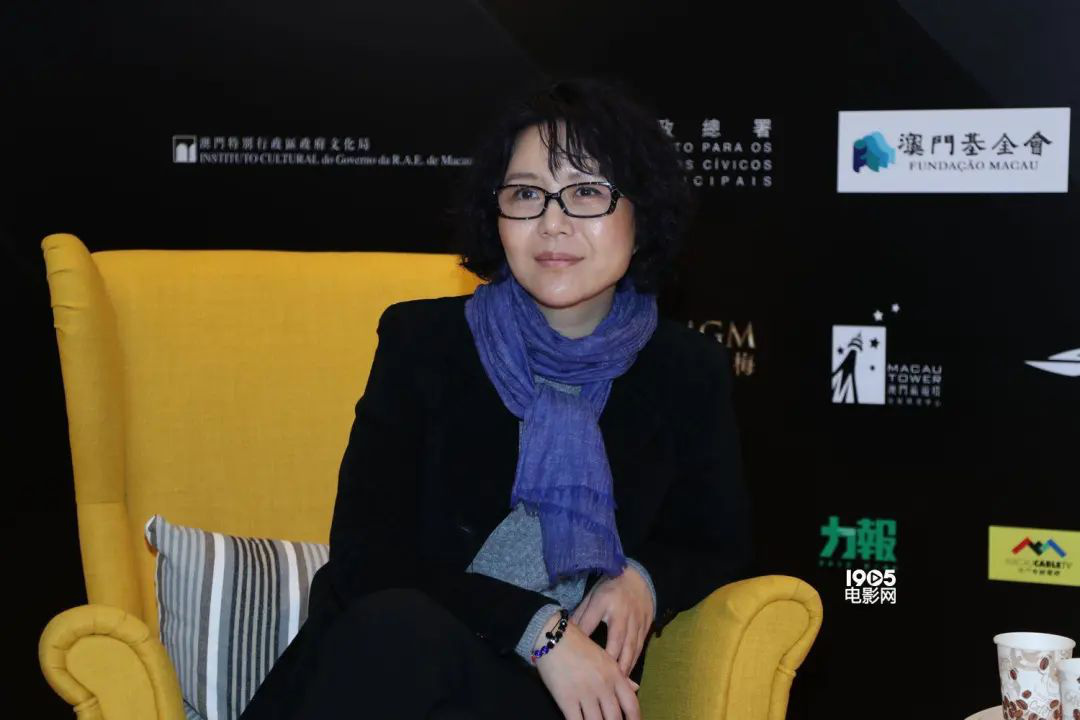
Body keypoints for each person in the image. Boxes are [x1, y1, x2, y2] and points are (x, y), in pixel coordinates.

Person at [240, 75, 752, 720]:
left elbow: (717, 543)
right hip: (394, 667)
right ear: (498, 215)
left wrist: (642, 579)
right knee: (398, 628)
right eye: (527, 194)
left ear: (640, 212)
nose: (553, 223)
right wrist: (539, 629)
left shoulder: (685, 369)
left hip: (541, 702)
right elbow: (368, 557)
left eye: (587, 192)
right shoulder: (423, 342)